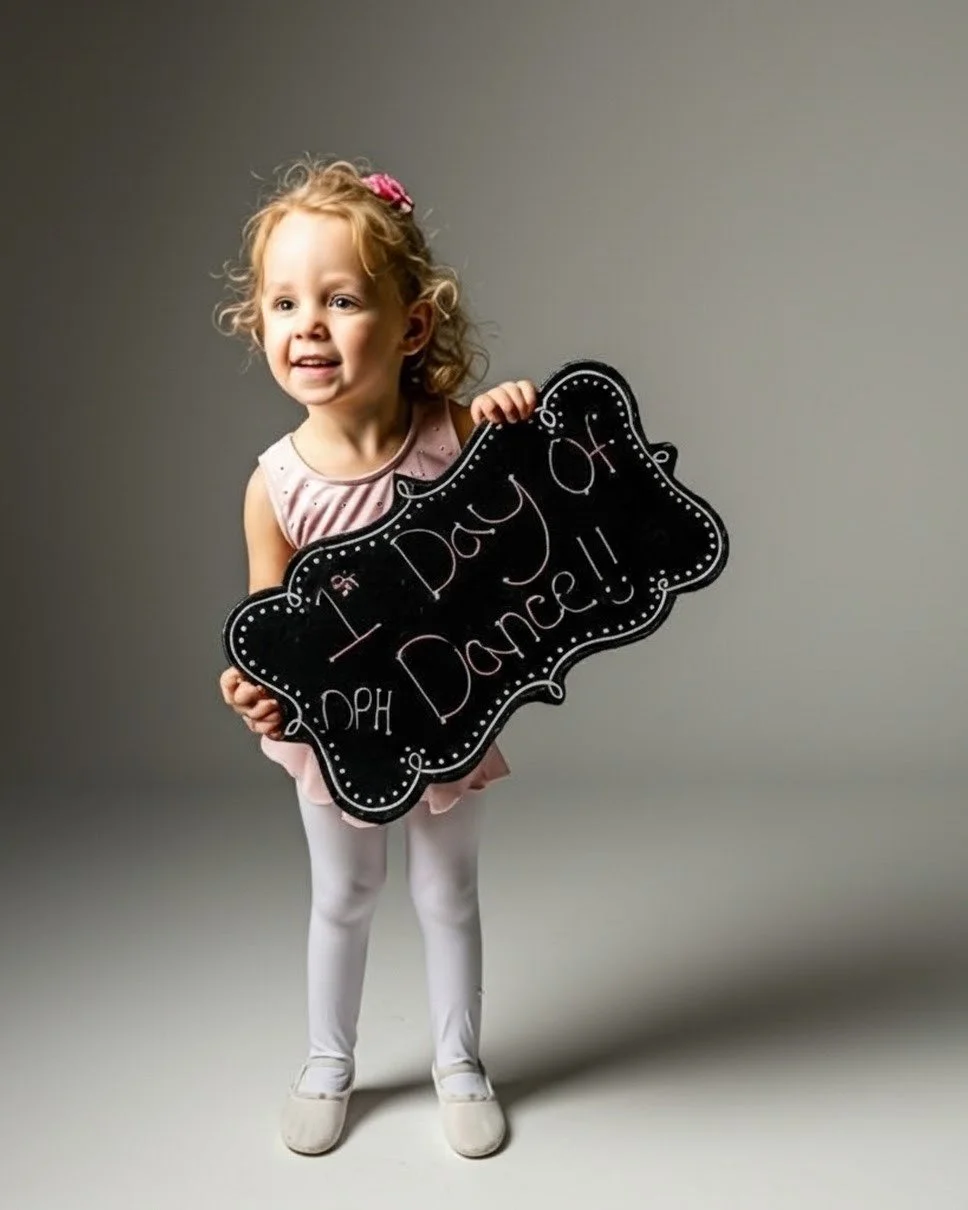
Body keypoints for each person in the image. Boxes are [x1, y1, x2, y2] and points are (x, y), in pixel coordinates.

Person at [215, 157, 537, 1158]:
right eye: (284, 301)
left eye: (341, 298)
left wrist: (518, 415)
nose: (307, 324)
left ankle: (457, 1061)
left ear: (411, 325)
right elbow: (272, 630)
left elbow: (527, 515)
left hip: (449, 709)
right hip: (340, 734)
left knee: (446, 892)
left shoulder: (455, 438)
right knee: (343, 894)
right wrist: (253, 689)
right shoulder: (276, 486)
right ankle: (327, 1062)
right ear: (259, 325)